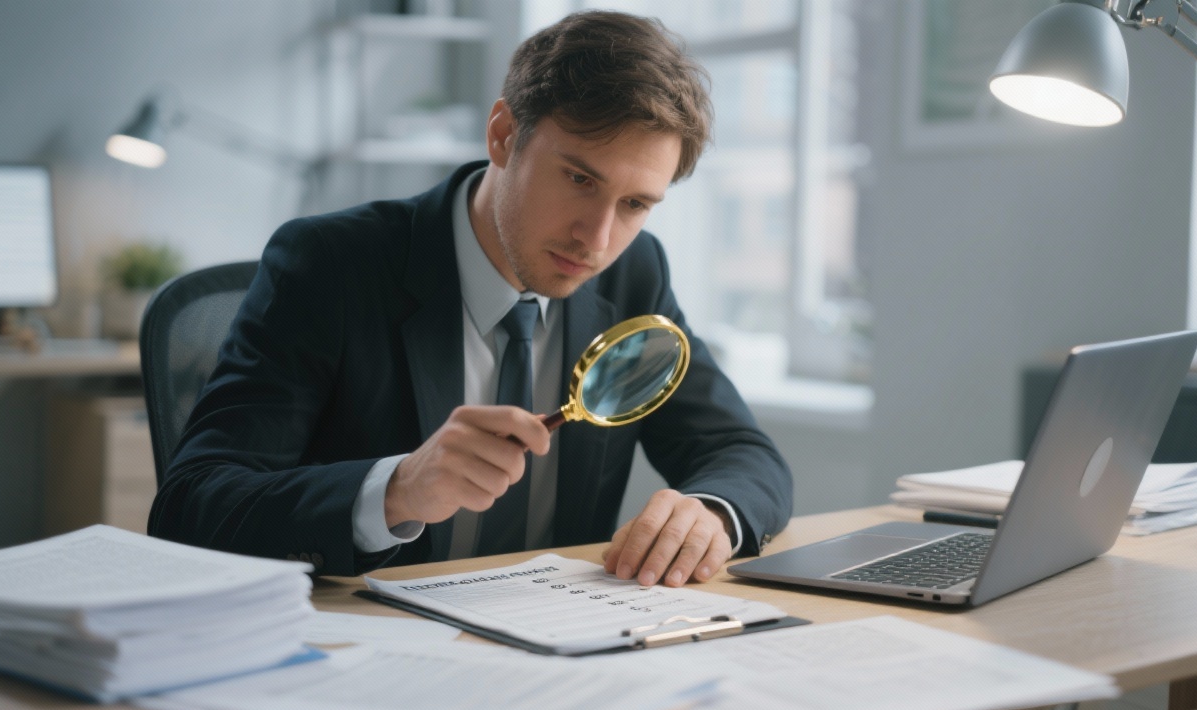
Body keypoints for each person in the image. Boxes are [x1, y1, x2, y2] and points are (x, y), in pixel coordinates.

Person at [149, 10, 793, 586]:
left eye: (634, 204)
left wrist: (710, 513)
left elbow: (741, 453)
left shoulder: (634, 273)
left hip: (562, 642)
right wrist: (395, 492)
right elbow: (189, 507)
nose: (596, 240)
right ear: (504, 135)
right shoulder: (330, 264)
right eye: (579, 179)